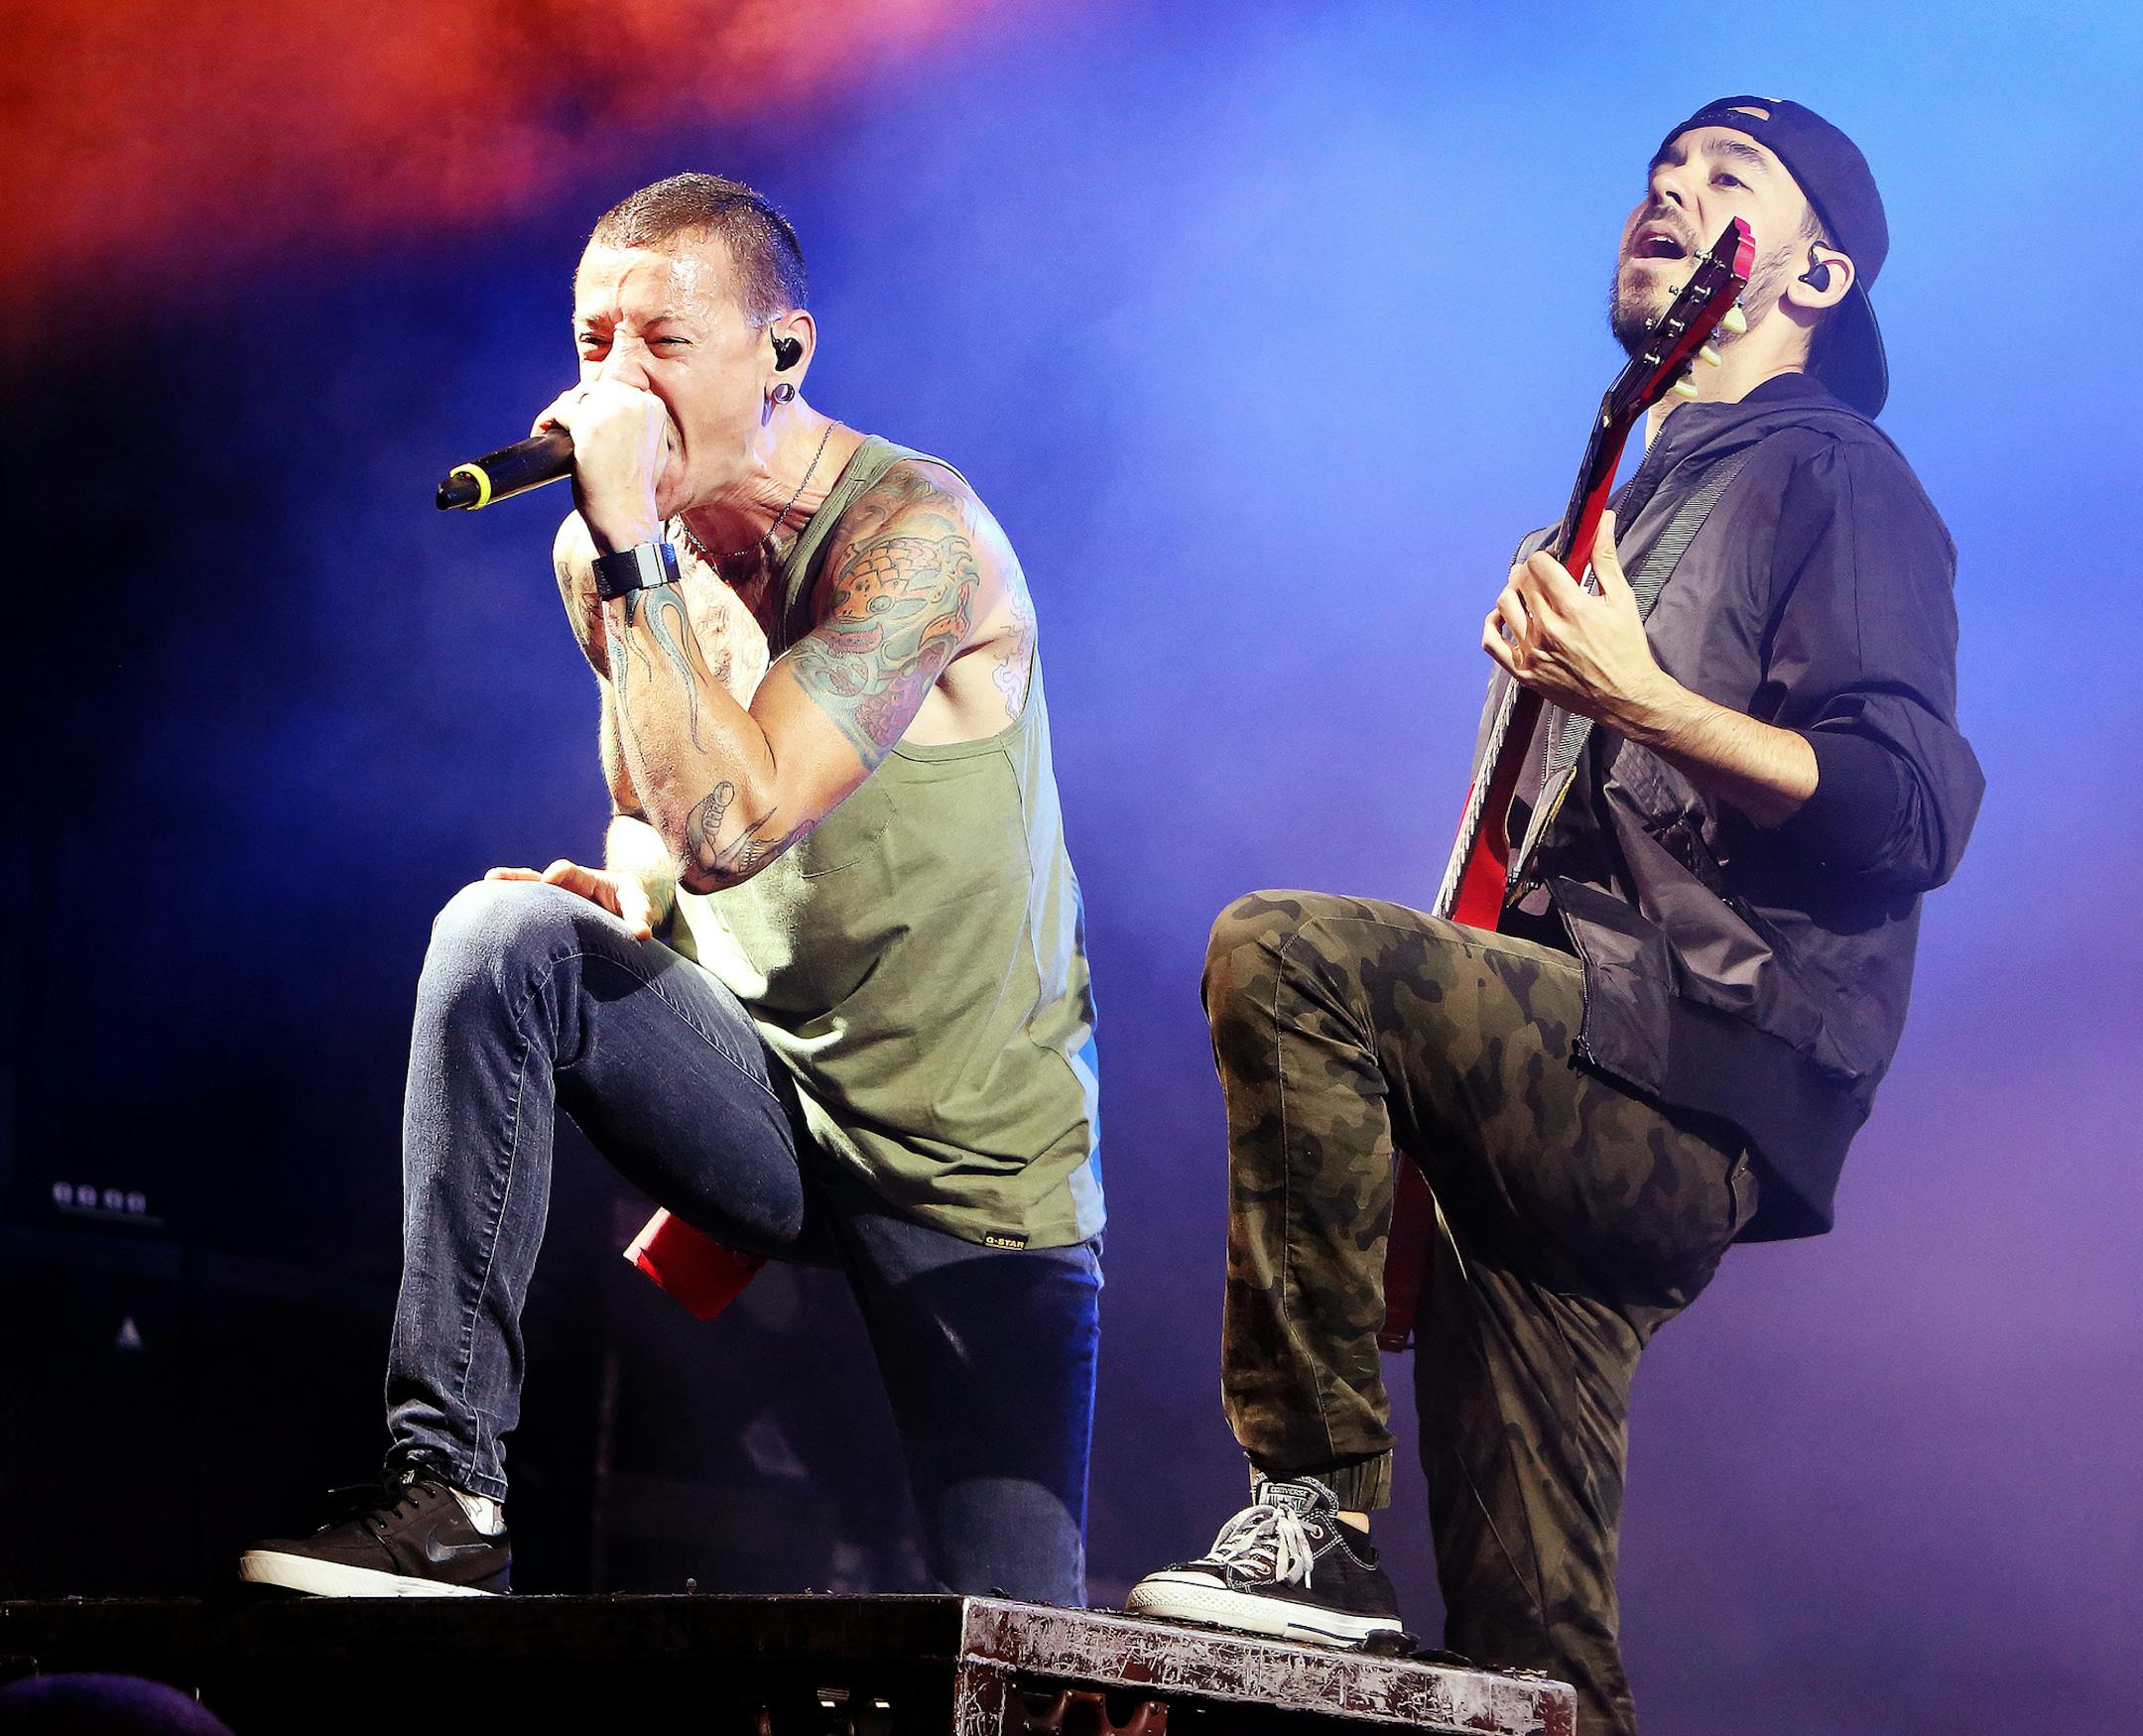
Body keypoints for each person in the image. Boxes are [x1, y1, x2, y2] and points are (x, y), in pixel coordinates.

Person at [1125, 98, 1981, 1734]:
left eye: (1728, 180)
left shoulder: (1833, 473)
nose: (1671, 193)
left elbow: (1916, 807)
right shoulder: (1627, 493)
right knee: (1532, 1671)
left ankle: (1312, 1515)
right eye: (1658, 175)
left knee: (1292, 950)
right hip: (1592, 1081)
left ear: (1817, 272)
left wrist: (1642, 697)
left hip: (1697, 1060)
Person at [241, 175, 1103, 1603]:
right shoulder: (606, 550)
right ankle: (446, 1487)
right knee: (501, 935)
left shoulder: (916, 537)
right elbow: (662, 815)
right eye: (593, 344)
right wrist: (628, 879)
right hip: (764, 1098)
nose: (614, 384)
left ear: (784, 353)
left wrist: (634, 535)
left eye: (662, 342)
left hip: (975, 1172)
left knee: (1019, 1641)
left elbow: (735, 815)